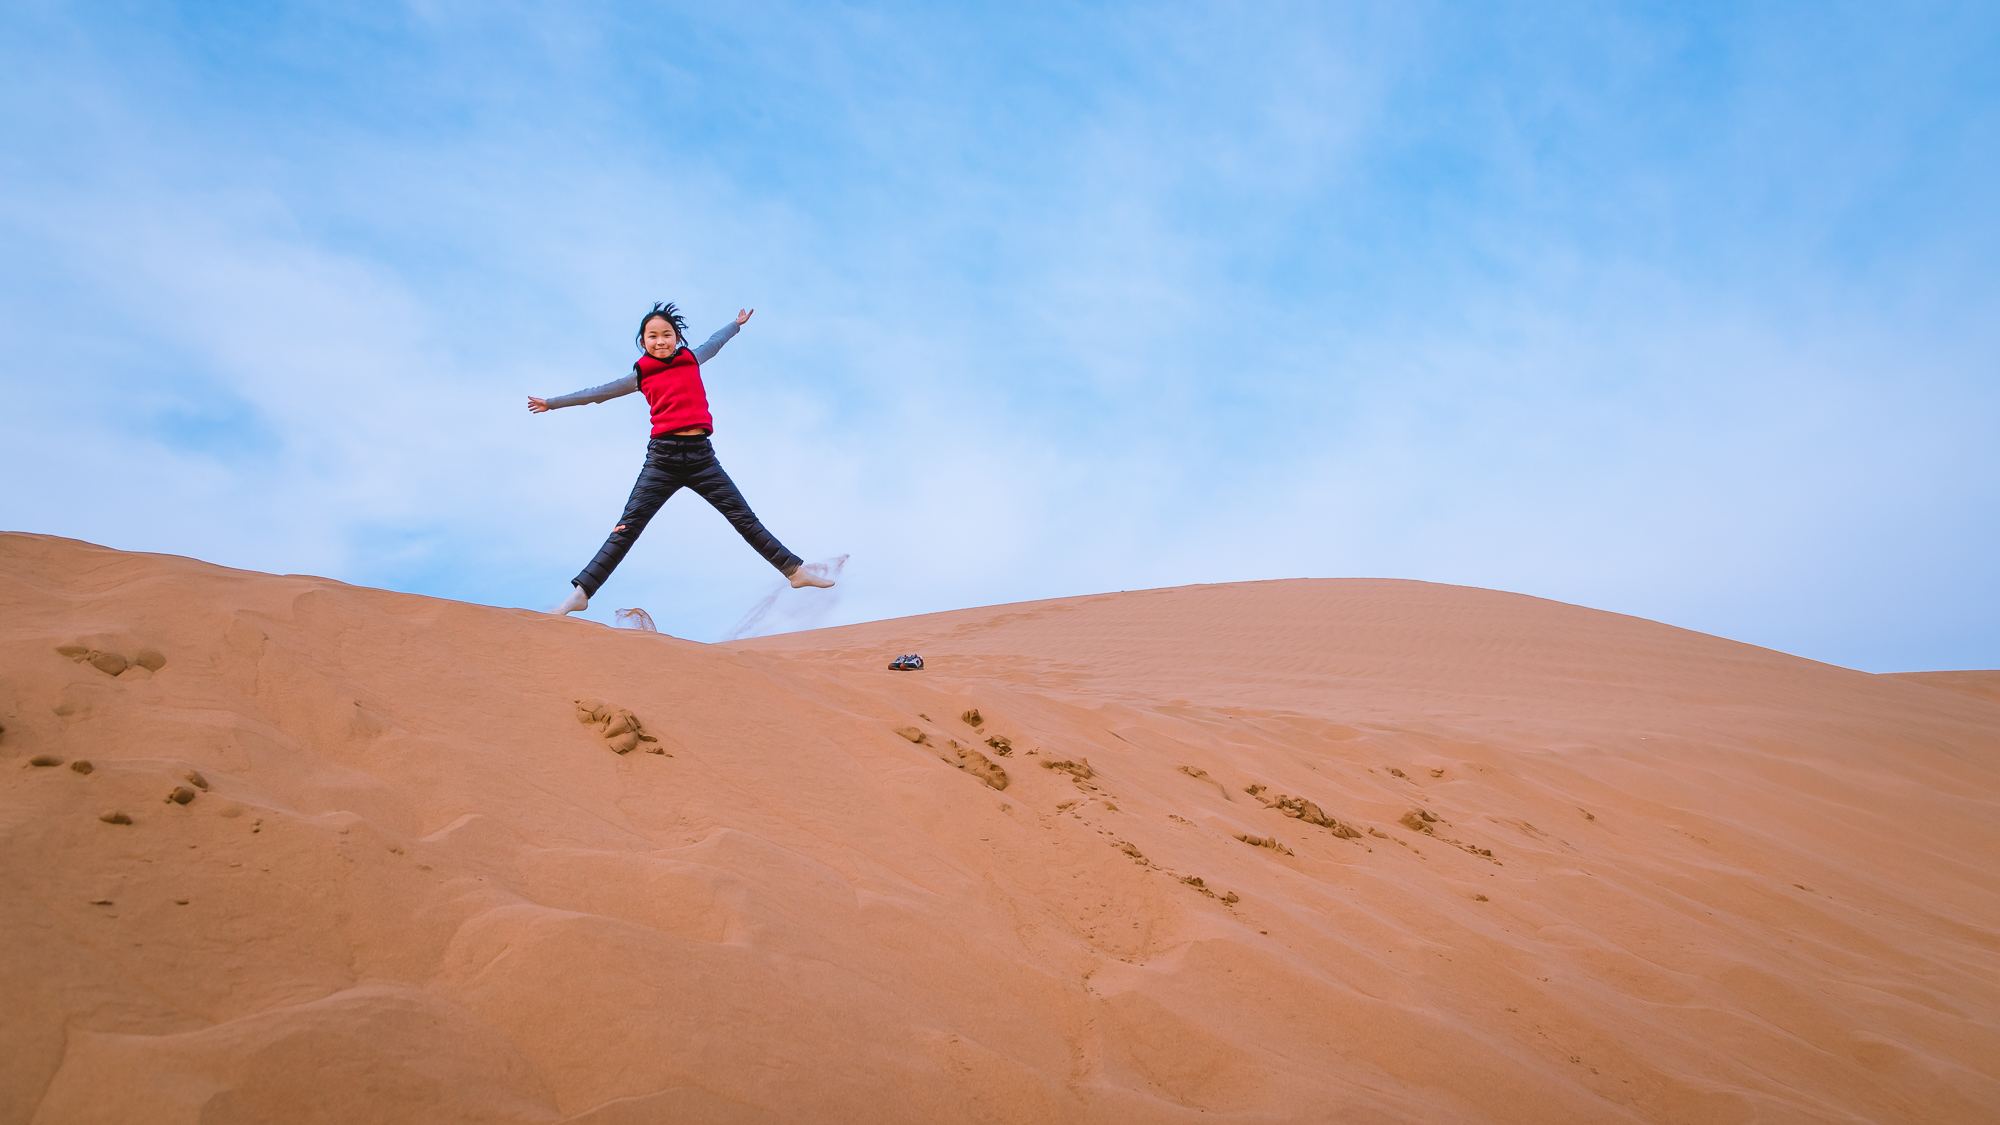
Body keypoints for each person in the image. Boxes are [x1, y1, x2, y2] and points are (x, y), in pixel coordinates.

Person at [528, 302, 833, 615]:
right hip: (663, 460)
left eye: (667, 335)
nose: (661, 341)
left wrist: (736, 324)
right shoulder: (641, 374)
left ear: (677, 338)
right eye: (653, 337)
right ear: (643, 342)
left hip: (702, 458)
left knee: (743, 517)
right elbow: (596, 393)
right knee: (628, 526)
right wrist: (552, 403)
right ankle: (582, 593)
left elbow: (715, 342)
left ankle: (795, 572)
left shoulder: (691, 358)